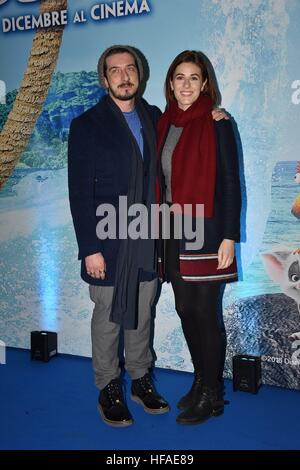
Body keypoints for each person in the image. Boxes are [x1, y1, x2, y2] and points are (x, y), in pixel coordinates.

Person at [68, 45, 227, 428]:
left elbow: (187, 138)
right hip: (107, 239)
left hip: (148, 236)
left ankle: (140, 380)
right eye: (115, 70)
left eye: (130, 69)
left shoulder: (154, 117)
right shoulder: (87, 125)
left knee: (143, 310)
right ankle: (108, 386)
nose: (124, 76)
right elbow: (79, 192)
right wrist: (89, 248)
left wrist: (215, 115)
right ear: (104, 79)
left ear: (140, 75)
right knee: (107, 315)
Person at [157, 50, 241, 425]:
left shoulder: (218, 122)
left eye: (194, 77)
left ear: (205, 83)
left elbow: (230, 183)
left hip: (207, 229)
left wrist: (229, 236)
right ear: (170, 83)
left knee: (207, 314)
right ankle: (200, 380)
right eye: (179, 77)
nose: (186, 84)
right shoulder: (164, 123)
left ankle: (213, 394)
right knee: (184, 309)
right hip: (172, 228)